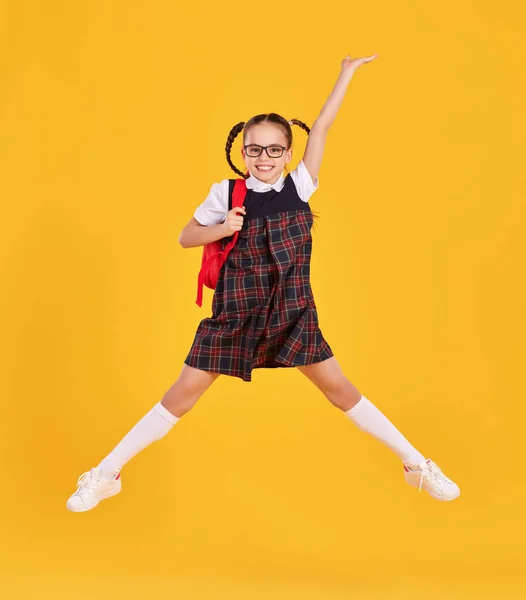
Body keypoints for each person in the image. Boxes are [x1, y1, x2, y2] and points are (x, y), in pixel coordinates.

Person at [66, 54, 459, 513]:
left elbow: (324, 125)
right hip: (236, 314)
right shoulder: (225, 193)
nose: (264, 158)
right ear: (243, 151)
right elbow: (185, 237)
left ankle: (417, 465)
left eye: (275, 149)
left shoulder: (301, 185)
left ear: (289, 154)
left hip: (293, 312)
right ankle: (104, 475)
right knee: (180, 397)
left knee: (342, 392)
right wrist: (222, 227)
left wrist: (345, 74)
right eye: (255, 149)